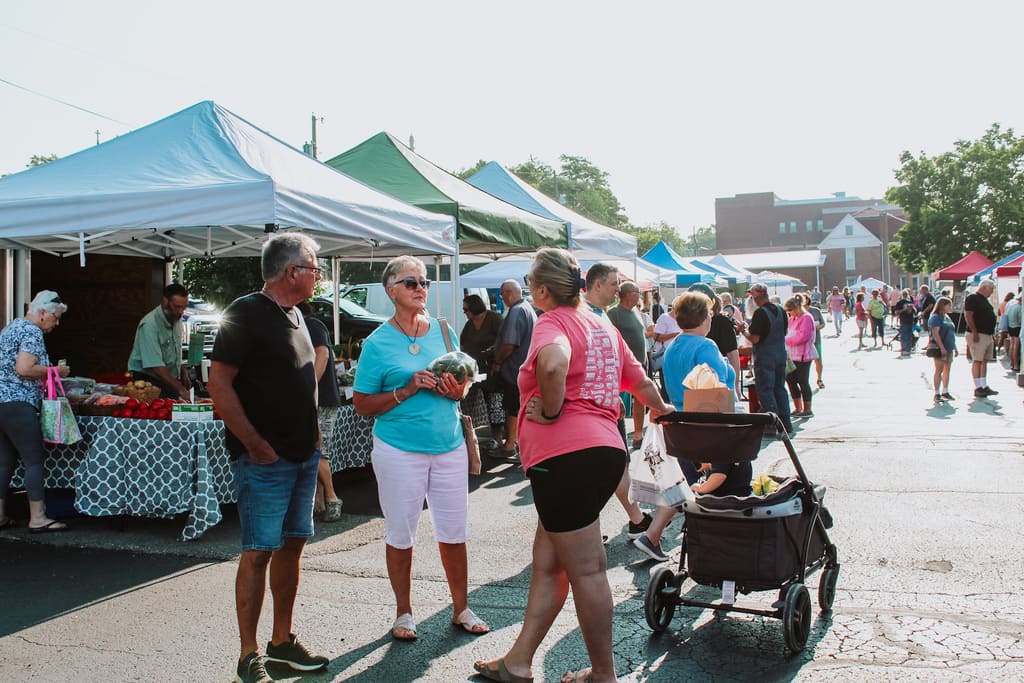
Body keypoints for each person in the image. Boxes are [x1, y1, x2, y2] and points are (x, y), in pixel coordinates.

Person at [473, 247, 673, 683]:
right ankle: (518, 662)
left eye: (529, 283)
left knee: (586, 569)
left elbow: (554, 360)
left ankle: (604, 674)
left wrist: (553, 404)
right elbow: (638, 379)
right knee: (548, 562)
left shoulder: (552, 323)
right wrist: (661, 411)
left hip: (564, 459)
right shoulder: (600, 324)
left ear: (542, 289)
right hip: (603, 452)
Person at [207, 234, 329, 683]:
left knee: (292, 546)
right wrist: (254, 444)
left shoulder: (297, 314)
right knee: (258, 551)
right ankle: (248, 653)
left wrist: (314, 436)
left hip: (300, 455)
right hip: (264, 460)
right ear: (291, 271)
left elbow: (304, 383)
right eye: (314, 268)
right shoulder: (245, 312)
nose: (319, 276)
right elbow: (219, 385)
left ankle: (281, 643)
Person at [352, 255, 489, 643]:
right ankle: (404, 612)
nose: (420, 289)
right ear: (390, 290)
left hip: (448, 445)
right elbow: (361, 405)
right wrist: (406, 389)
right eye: (411, 282)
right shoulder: (377, 343)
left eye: (424, 282)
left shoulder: (445, 332)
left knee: (454, 530)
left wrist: (455, 390)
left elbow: (465, 383)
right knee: (401, 532)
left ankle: (461, 606)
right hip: (399, 448)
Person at [632, 290, 736, 563]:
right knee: (716, 482)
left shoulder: (675, 345)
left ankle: (652, 535)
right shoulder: (706, 346)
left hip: (678, 417)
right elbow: (716, 387)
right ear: (705, 318)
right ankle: (718, 544)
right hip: (704, 421)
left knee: (684, 483)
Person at [583, 265, 653, 539]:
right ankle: (626, 521)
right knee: (609, 465)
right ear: (597, 284)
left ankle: (629, 520)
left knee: (614, 464)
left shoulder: (602, 315)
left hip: (607, 402)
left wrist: (614, 393)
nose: (618, 288)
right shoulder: (589, 315)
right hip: (593, 408)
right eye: (614, 283)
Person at [0, 290, 71, 533]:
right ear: (42, 313)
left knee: (3, 461)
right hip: (18, 403)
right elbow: (24, 368)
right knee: (33, 459)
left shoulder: (13, 326)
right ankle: (38, 516)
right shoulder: (31, 331)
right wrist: (54, 372)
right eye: (56, 318)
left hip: (1, 403)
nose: (57, 323)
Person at [296, 300, 343, 523]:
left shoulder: (312, 325)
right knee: (310, 448)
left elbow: (321, 355)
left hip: (320, 399)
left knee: (318, 450)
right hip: (315, 399)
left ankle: (332, 498)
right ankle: (320, 499)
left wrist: (309, 388)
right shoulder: (307, 327)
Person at [488, 279, 536, 459]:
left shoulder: (516, 311)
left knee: (513, 408)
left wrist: (498, 361)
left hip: (515, 371)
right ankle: (517, 444)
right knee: (519, 408)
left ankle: (510, 445)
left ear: (509, 293)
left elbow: (509, 344)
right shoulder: (527, 308)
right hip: (525, 370)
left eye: (502, 294)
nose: (502, 298)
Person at [738, 283, 792, 436]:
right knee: (780, 389)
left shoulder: (760, 313)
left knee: (766, 390)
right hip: (780, 354)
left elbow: (755, 339)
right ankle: (786, 423)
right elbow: (784, 332)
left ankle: (772, 425)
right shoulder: (781, 310)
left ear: (755, 297)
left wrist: (743, 331)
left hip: (765, 356)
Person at [127, 283, 192, 399]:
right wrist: (181, 390)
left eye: (184, 307)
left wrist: (182, 371)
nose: (181, 312)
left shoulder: (175, 318)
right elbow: (156, 366)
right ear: (165, 302)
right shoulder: (149, 325)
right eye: (177, 307)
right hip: (148, 383)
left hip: (167, 380)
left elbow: (174, 351)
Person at [460, 294, 505, 446]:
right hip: (477, 371)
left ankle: (499, 438)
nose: (464, 312)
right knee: (482, 402)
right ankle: (478, 435)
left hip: (495, 370)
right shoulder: (469, 324)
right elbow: (463, 344)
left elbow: (504, 340)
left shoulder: (494, 319)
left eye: (466, 309)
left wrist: (495, 358)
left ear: (474, 307)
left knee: (495, 404)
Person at [607, 281, 647, 446]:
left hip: (639, 363)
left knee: (641, 399)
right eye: (637, 292)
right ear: (630, 294)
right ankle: (617, 438)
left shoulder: (636, 312)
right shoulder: (614, 313)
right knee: (620, 403)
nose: (640, 295)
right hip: (623, 366)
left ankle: (638, 436)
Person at [689, 283, 741, 397]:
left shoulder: (722, 322)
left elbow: (733, 354)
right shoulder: (688, 326)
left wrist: (736, 385)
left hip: (718, 382)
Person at [784, 296, 818, 418]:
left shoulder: (806, 318)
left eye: (790, 310)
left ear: (797, 307)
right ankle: (798, 407)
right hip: (792, 355)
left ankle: (807, 408)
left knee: (803, 381)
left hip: (804, 355)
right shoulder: (792, 318)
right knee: (791, 381)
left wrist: (786, 340)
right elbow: (787, 332)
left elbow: (803, 337)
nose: (789, 313)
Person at [964, 278, 999, 398]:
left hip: (987, 334)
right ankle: (978, 386)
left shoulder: (984, 300)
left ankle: (984, 385)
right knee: (978, 360)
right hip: (978, 333)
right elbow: (968, 315)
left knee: (984, 360)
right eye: (991, 289)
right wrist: (974, 331)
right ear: (985, 287)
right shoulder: (973, 298)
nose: (992, 292)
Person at [928, 296, 958, 402]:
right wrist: (942, 348)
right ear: (943, 305)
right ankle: (936, 393)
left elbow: (951, 332)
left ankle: (945, 390)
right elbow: (935, 333)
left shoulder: (947, 317)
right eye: (949, 305)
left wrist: (955, 347)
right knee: (939, 370)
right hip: (939, 347)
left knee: (947, 370)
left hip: (949, 346)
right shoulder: (935, 317)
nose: (950, 307)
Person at [802, 293, 826, 388]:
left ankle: (819, 379)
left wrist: (815, 328)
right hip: (802, 342)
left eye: (804, 299)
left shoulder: (815, 311)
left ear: (808, 300)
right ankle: (804, 381)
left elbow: (823, 324)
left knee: (818, 360)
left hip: (816, 340)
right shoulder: (798, 312)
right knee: (803, 363)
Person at [893, 289, 918, 357]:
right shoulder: (900, 303)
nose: (905, 295)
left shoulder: (910, 302)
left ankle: (908, 349)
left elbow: (915, 311)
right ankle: (904, 349)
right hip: (903, 321)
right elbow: (896, 312)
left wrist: (912, 307)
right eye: (904, 294)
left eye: (906, 294)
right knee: (904, 336)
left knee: (909, 336)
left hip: (910, 321)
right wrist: (904, 309)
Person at [1005, 291, 1021, 373]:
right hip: (1016, 328)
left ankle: (1012, 363)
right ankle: (1016, 365)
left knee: (1012, 345)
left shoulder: (1011, 306)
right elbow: (1019, 320)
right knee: (1016, 346)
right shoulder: (1019, 308)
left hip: (1010, 327)